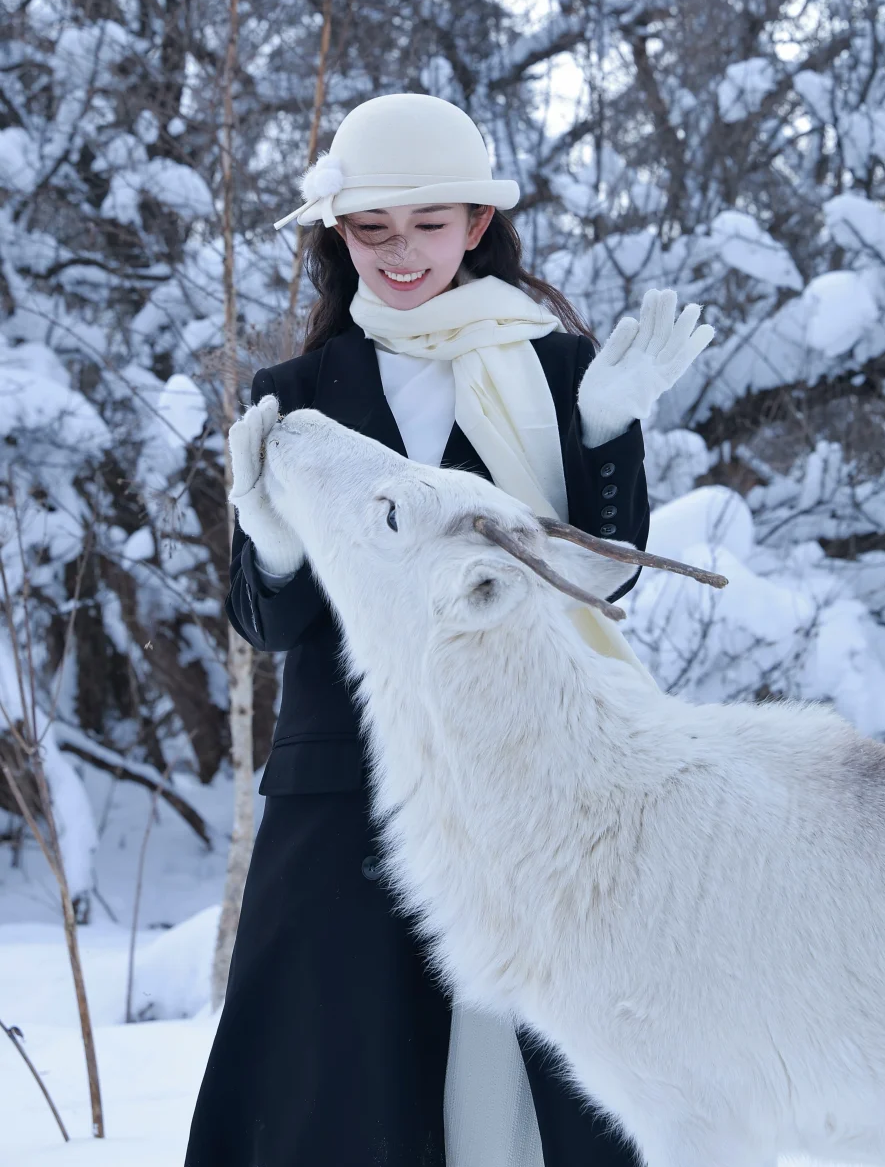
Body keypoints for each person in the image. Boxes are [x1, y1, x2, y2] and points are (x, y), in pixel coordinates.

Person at [185, 93, 713, 1167]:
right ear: (340, 237)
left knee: (564, 1084)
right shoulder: (296, 395)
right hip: (351, 787)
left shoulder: (564, 373)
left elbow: (601, 587)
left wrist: (606, 434)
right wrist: (272, 537)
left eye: (428, 225)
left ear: (478, 224)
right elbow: (269, 624)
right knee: (333, 1092)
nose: (401, 254)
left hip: (542, 783)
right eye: (373, 231)